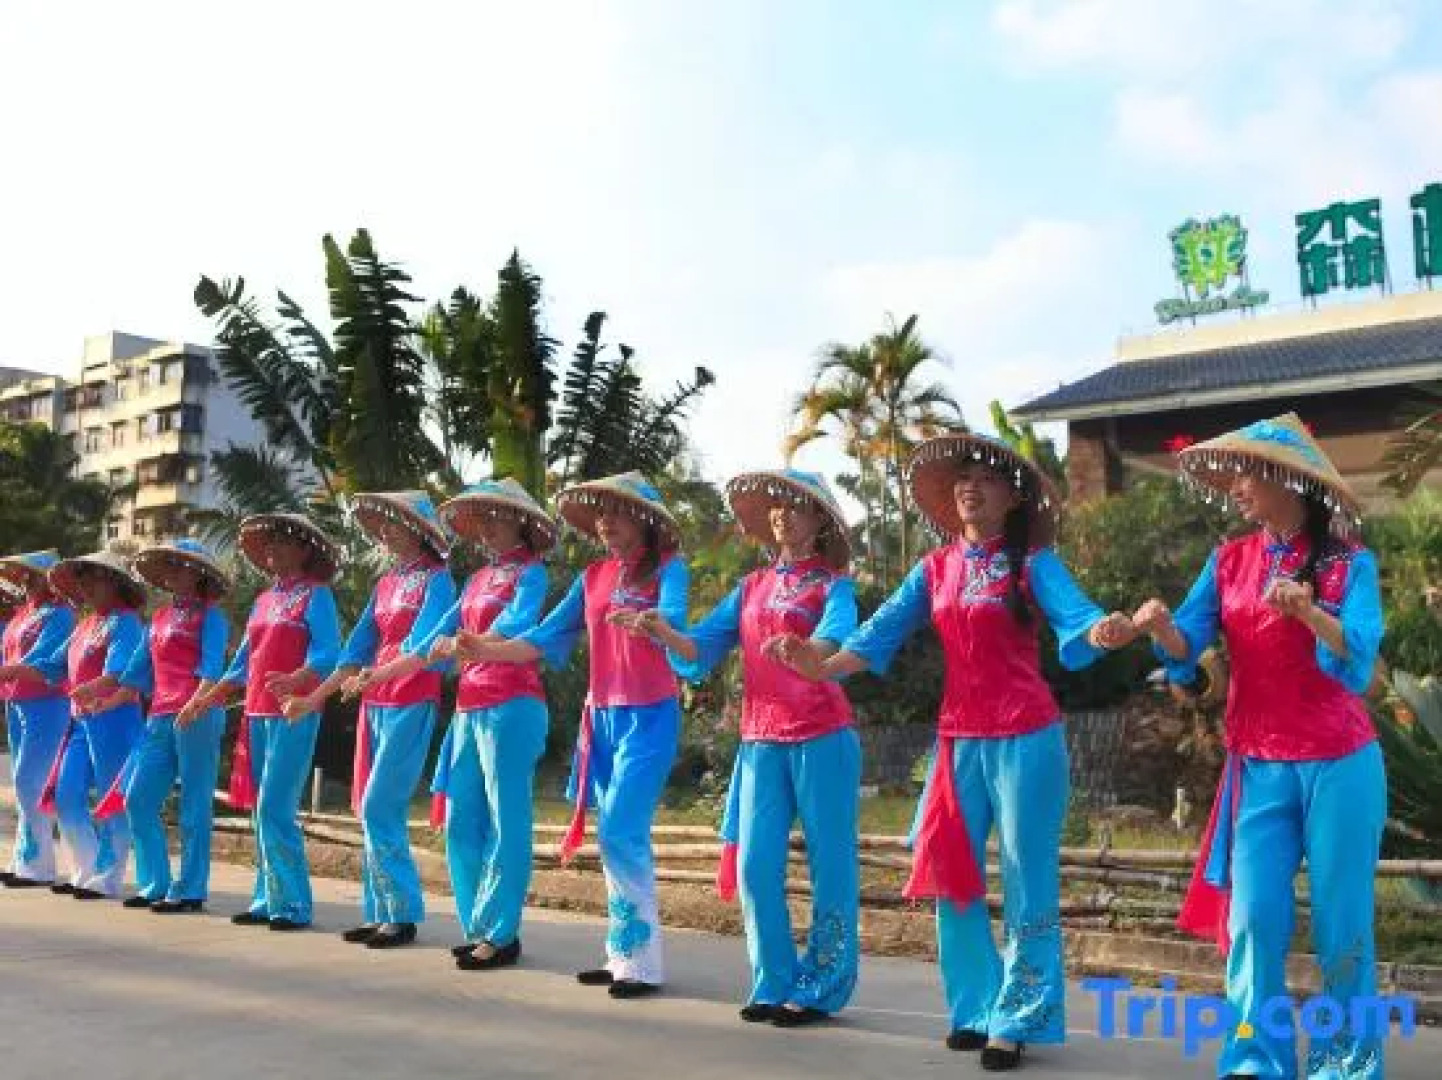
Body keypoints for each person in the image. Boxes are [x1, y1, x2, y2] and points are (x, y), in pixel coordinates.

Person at [772, 433, 1136, 1072]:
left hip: (1026, 736)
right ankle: (974, 1008)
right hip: (958, 739)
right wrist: (820, 666)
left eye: (987, 477)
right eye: (962, 477)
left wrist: (1104, 630)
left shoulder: (1033, 563)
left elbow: (1080, 620)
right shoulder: (934, 569)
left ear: (1013, 496)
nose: (971, 485)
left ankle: (1019, 1015)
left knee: (1027, 876)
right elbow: (876, 633)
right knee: (953, 873)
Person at [1132, 413, 1386, 1080]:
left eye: (1246, 472)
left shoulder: (1348, 563)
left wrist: (1308, 612)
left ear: (1286, 479)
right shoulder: (1229, 561)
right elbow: (1187, 649)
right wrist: (1164, 627)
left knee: (1342, 923)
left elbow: (1358, 656)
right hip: (1259, 766)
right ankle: (1255, 1059)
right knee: (1252, 919)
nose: (1235, 486)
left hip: (1340, 762)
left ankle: (1348, 1063)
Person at [624, 468, 861, 1027]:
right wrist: (662, 631)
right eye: (776, 505)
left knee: (831, 867)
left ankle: (822, 986)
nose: (782, 512)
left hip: (823, 735)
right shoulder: (750, 588)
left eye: (795, 504)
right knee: (756, 865)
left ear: (820, 519)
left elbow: (838, 636)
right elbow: (699, 648)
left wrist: (810, 651)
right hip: (759, 740)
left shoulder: (834, 586)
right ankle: (773, 980)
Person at [464, 472, 688, 999]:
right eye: (601, 514)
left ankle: (641, 963)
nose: (607, 523)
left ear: (645, 519)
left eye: (618, 512)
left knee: (621, 832)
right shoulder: (593, 576)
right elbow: (542, 638)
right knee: (612, 834)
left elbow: (676, 624)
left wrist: (655, 624)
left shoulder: (668, 570)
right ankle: (622, 954)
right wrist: (484, 649)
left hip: (650, 713)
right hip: (602, 719)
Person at [285, 493, 456, 950]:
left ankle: (401, 914)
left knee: (382, 804)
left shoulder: (438, 582)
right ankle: (378, 911)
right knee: (365, 805)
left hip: (411, 699)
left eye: (392, 524)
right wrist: (312, 699)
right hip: (373, 702)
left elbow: (422, 649)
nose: (384, 533)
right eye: (380, 526)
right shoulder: (385, 585)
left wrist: (374, 676)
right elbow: (355, 651)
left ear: (418, 528)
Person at [401, 478, 556, 970]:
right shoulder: (474, 581)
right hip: (468, 707)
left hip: (512, 704)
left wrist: (473, 641)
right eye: (481, 518)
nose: (486, 527)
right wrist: (379, 670)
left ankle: (502, 931)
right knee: (460, 817)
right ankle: (478, 924)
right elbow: (431, 637)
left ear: (521, 522)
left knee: (507, 819)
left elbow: (516, 624)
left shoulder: (531, 574)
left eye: (496, 516)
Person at [179, 513, 342, 931]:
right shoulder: (264, 600)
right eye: (268, 544)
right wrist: (208, 698)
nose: (273, 550)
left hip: (294, 711)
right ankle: (266, 897)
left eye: (283, 542)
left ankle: (293, 905)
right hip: (255, 713)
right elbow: (242, 663)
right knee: (259, 809)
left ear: (305, 550)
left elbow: (329, 653)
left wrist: (298, 678)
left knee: (275, 806)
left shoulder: (317, 596)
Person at [71, 539, 231, 913]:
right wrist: (101, 696)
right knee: (137, 800)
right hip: (160, 717)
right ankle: (155, 883)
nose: (173, 572)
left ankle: (190, 890)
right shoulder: (157, 620)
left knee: (194, 804)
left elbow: (211, 669)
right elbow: (134, 677)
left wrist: (197, 703)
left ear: (200, 572)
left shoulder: (212, 618)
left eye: (181, 565)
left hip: (198, 715)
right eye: (169, 565)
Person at [45, 551, 148, 900]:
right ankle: (85, 867)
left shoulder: (127, 622)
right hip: (81, 721)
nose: (85, 586)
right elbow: (52, 664)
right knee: (66, 793)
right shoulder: (85, 625)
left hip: (115, 718)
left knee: (110, 798)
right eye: (82, 580)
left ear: (115, 581)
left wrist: (94, 687)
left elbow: (120, 671)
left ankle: (109, 875)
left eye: (93, 578)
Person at [0, 551, 75, 890]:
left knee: (31, 782)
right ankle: (24, 860)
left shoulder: (60, 615)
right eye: (23, 577)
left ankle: (40, 866)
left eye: (33, 576)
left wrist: (7, 671)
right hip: (16, 702)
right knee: (22, 783)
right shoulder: (21, 615)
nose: (26, 582)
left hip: (47, 703)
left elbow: (43, 663)